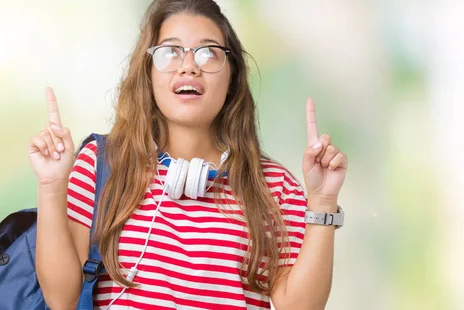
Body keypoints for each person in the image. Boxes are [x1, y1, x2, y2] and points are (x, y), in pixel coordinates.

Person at [27, 0, 348, 309]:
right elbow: (63, 301)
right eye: (170, 52)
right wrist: (52, 185)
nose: (189, 66)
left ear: (232, 75)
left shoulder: (275, 187)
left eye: (208, 52)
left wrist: (322, 201)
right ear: (148, 72)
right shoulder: (102, 163)